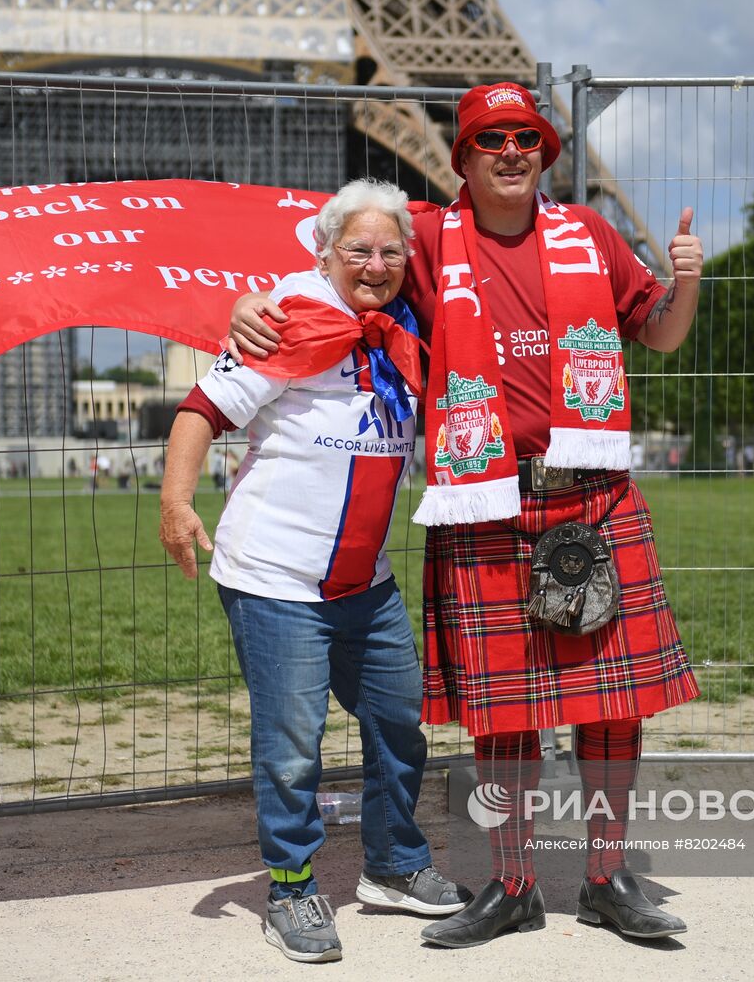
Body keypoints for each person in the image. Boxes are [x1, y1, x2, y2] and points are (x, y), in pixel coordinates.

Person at [228, 82, 702, 948]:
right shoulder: (430, 235)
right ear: (463, 156)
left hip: (588, 491)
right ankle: (514, 882)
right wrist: (252, 301)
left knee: (612, 702)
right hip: (484, 496)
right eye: (492, 139)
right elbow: (338, 247)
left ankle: (606, 876)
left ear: (546, 151)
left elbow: (660, 334)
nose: (511, 150)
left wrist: (688, 283)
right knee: (506, 706)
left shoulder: (589, 234)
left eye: (527, 136)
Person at [159, 179, 469, 964]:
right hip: (274, 576)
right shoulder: (288, 319)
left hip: (366, 581)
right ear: (324, 251)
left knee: (400, 722)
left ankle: (393, 865)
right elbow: (201, 406)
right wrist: (175, 501)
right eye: (357, 249)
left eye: (390, 251)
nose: (375, 263)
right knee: (292, 745)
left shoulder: (408, 326)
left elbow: (471, 231)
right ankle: (291, 889)